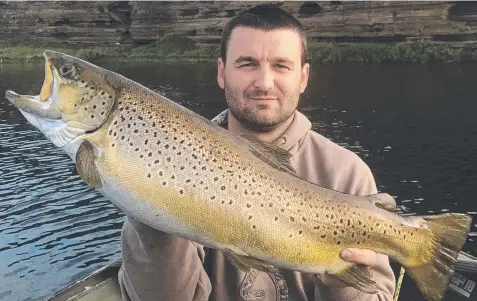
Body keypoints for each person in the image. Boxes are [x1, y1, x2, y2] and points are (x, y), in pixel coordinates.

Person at [118, 4, 396, 301]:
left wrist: (345, 284)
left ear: (303, 78)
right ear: (222, 73)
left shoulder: (348, 174)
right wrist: (152, 215)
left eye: (280, 65)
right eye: (247, 63)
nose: (264, 83)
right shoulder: (176, 158)